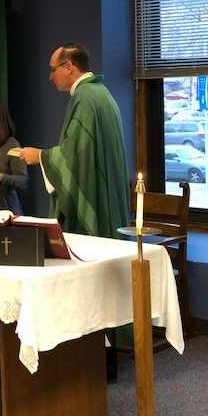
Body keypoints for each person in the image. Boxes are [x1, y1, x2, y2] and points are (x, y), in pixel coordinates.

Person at [20, 43, 130, 380]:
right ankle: (104, 354)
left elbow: (74, 158)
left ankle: (96, 360)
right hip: (105, 196)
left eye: (53, 69)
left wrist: (41, 156)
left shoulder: (84, 98)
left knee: (89, 282)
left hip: (92, 204)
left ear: (70, 67)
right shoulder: (103, 95)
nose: (50, 76)